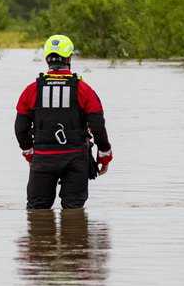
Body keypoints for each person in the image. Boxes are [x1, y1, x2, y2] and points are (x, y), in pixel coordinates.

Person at [14, 34, 112, 210]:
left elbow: (20, 129)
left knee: (38, 214)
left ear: (46, 59)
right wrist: (104, 156)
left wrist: (30, 154)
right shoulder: (84, 90)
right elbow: (98, 126)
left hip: (43, 159)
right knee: (74, 214)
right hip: (75, 158)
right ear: (69, 57)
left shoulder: (31, 90)